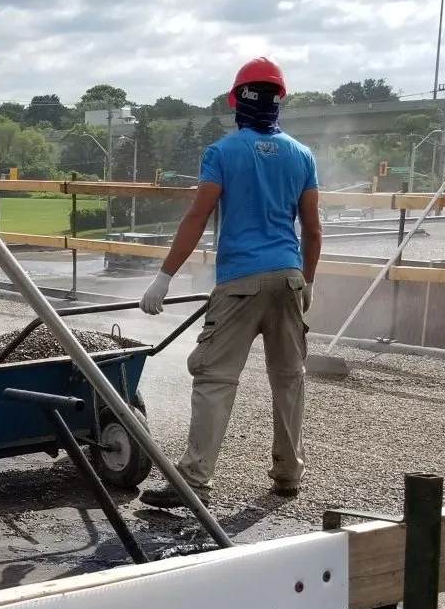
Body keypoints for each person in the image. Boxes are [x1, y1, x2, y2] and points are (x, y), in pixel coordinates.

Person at [136, 57, 322, 507]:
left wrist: (164, 277)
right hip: (290, 278)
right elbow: (313, 231)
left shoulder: (222, 153)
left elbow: (197, 217)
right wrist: (306, 284)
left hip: (241, 282)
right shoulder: (302, 155)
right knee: (289, 378)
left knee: (215, 378)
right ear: (281, 101)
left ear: (236, 101)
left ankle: (194, 481)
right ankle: (288, 475)